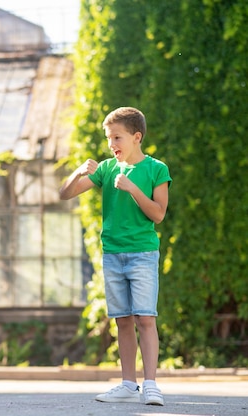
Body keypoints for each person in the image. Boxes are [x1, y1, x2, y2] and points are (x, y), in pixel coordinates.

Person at [59, 107, 171, 406]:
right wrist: (78, 171)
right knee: (122, 321)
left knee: (145, 319)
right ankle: (127, 384)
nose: (112, 144)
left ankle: (151, 385)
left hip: (143, 255)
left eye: (117, 137)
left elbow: (158, 214)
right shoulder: (107, 169)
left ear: (137, 137)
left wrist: (133, 188)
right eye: (109, 138)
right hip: (113, 255)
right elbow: (65, 194)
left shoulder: (156, 168)